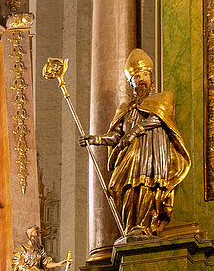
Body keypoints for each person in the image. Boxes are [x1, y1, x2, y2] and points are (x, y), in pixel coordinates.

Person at [80, 49, 191, 237]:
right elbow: (115, 136)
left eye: (145, 75)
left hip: (152, 152)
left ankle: (145, 225)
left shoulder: (163, 98)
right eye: (136, 77)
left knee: (147, 185)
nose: (141, 80)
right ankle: (131, 226)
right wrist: (95, 139)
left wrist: (136, 131)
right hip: (129, 154)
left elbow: (160, 119)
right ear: (130, 82)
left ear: (151, 78)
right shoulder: (125, 108)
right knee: (118, 186)